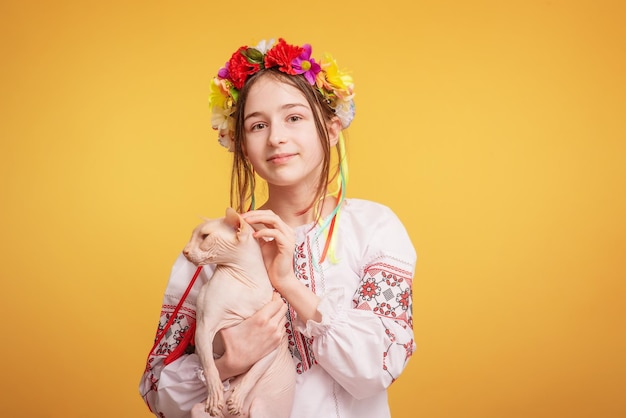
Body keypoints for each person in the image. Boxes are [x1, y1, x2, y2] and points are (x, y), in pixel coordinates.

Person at [139, 37, 417, 418]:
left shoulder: (375, 229)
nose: (276, 138)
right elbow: (158, 391)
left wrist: (287, 282)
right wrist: (225, 363)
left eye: (294, 117)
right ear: (239, 143)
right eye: (257, 125)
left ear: (332, 128)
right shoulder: (214, 246)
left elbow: (377, 368)